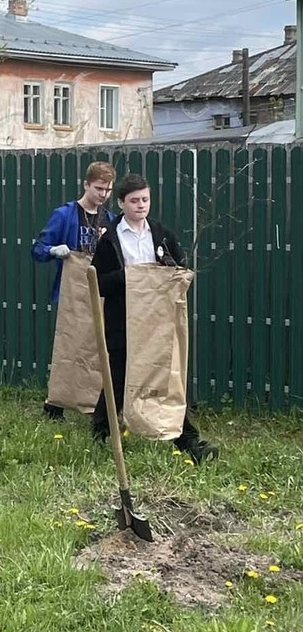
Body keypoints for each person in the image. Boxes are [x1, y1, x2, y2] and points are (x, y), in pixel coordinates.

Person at [90, 173, 219, 464]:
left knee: (165, 373)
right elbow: (98, 282)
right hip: (123, 319)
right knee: (120, 373)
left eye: (145, 199)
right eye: (134, 201)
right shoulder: (110, 239)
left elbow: (178, 269)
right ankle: (101, 429)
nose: (141, 205)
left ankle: (187, 440)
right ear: (121, 203)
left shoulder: (161, 234)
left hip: (157, 320)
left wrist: (169, 270)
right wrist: (130, 278)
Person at [31, 161, 116, 420]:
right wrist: (53, 251)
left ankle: (91, 401)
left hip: (97, 292)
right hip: (70, 293)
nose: (103, 194)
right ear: (86, 185)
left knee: (95, 347)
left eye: (108, 190)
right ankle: (55, 403)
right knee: (69, 345)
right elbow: (37, 249)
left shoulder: (109, 219)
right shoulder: (65, 214)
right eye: (99, 188)